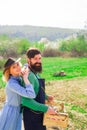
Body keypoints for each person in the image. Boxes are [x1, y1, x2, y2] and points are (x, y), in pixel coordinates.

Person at [22, 48, 56, 130]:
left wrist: (46, 97)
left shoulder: (34, 72)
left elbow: (36, 90)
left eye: (40, 58)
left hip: (38, 113)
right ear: (28, 60)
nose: (38, 61)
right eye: (35, 59)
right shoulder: (29, 75)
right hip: (31, 115)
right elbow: (25, 100)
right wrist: (46, 108)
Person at [0, 57, 36, 130]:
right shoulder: (12, 83)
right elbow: (31, 94)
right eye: (14, 67)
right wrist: (25, 78)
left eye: (18, 65)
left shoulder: (18, 77)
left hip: (17, 111)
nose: (18, 68)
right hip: (11, 112)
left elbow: (26, 65)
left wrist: (24, 69)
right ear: (9, 71)